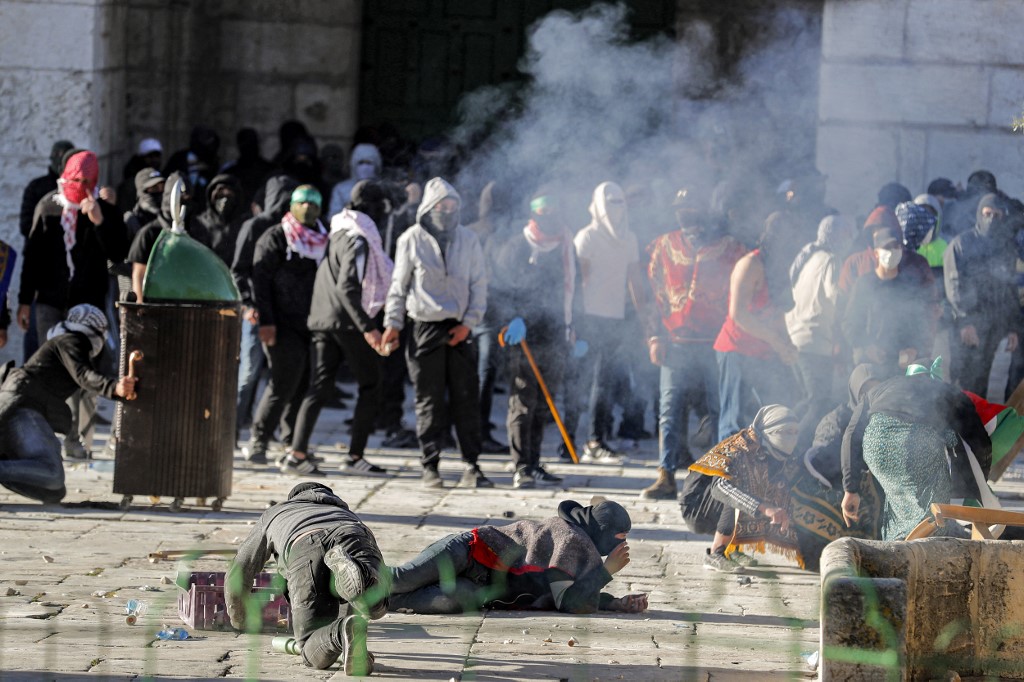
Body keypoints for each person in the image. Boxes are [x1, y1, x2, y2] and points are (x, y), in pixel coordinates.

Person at [17, 150, 129, 459]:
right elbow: (33, 257)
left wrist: (99, 221)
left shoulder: (104, 210)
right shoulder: (49, 208)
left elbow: (118, 254)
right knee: (49, 371)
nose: (79, 186)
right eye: (75, 180)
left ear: (94, 182)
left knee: (83, 375)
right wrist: (25, 301)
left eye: (86, 181)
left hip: (86, 305)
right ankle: (41, 440)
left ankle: (77, 440)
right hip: (50, 302)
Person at [382, 177, 490, 488]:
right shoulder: (411, 239)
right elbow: (399, 286)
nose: (446, 210)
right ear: (429, 208)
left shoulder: (468, 239)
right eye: (441, 206)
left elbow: (479, 284)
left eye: (452, 205)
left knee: (465, 397)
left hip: (460, 327)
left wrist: (469, 322)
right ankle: (430, 465)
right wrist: (393, 324)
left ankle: (472, 463)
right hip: (423, 327)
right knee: (428, 400)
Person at [639, 189, 746, 499]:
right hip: (675, 342)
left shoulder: (728, 247)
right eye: (681, 209)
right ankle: (666, 474)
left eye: (692, 208)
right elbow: (653, 295)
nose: (686, 215)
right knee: (669, 409)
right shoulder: (664, 245)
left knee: (718, 409)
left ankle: (715, 478)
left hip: (715, 343)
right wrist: (654, 335)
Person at [225, 482, 387, 675]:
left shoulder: (276, 513)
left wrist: (239, 618)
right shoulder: (347, 513)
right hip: (354, 534)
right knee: (375, 602)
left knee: (311, 647)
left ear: (293, 498)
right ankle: (366, 584)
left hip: (305, 544)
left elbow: (241, 569)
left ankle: (340, 632)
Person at [289, 180, 393, 476]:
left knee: (319, 387)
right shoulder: (359, 238)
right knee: (371, 384)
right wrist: (369, 328)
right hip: (345, 322)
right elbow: (348, 287)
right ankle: (355, 456)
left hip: (322, 317)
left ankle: (296, 454)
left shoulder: (338, 230)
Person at [388, 498, 647, 614]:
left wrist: (613, 603)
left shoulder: (584, 548)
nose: (622, 545)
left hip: (479, 587)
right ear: (605, 533)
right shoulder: (572, 538)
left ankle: (362, 600)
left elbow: (572, 590)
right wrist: (607, 571)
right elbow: (567, 601)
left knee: (409, 600)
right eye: (621, 538)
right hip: (468, 551)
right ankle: (352, 572)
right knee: (398, 579)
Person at [0, 305, 135, 503]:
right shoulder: (72, 340)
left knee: (54, 489)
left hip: (26, 409)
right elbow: (84, 376)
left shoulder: (63, 342)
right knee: (52, 474)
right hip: (23, 409)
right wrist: (115, 388)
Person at [841, 367, 992, 541]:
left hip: (876, 447)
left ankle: (897, 549)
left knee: (899, 503)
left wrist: (850, 489)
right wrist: (981, 479)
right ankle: (932, 550)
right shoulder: (953, 394)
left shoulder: (880, 389)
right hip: (915, 443)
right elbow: (979, 441)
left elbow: (851, 434)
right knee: (934, 506)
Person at [496, 187, 582, 489]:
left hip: (555, 333)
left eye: (554, 210)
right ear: (533, 213)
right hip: (523, 336)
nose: (550, 217)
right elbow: (502, 288)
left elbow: (575, 289)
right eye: (543, 211)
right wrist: (512, 319)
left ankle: (534, 461)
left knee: (544, 403)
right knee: (523, 401)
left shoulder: (565, 246)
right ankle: (521, 466)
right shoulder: (517, 247)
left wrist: (575, 327)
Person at [248, 185, 328, 470]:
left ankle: (293, 442)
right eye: (302, 202)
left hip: (314, 323)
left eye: (313, 203)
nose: (307, 208)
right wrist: (266, 321)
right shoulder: (276, 237)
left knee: (305, 383)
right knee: (282, 381)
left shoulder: (324, 237)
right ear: (291, 205)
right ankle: (259, 439)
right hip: (281, 323)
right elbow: (260, 280)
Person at [566, 181, 644, 463]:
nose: (616, 207)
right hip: (589, 319)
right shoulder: (586, 237)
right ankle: (584, 442)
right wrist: (572, 322)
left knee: (607, 383)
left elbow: (635, 281)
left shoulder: (629, 238)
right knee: (587, 382)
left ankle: (597, 439)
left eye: (619, 201)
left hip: (617, 319)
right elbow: (576, 283)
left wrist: (645, 317)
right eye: (610, 201)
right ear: (598, 203)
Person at [713, 213, 799, 441]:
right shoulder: (750, 264)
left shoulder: (781, 267)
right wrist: (776, 342)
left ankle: (760, 474)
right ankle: (725, 475)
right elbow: (738, 313)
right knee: (734, 421)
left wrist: (787, 344)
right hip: (736, 349)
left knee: (771, 417)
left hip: (764, 351)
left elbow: (778, 311)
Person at [689, 405, 804, 573]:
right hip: (699, 506)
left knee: (765, 486)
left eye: (795, 433)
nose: (792, 438)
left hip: (717, 503)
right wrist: (765, 508)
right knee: (739, 488)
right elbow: (720, 487)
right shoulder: (739, 447)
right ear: (770, 431)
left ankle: (732, 549)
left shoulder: (774, 453)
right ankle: (716, 552)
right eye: (786, 432)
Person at [232, 175, 299, 439]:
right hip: (256, 314)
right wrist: (248, 304)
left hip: (284, 314)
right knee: (248, 375)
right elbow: (238, 271)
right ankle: (232, 432)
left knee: (281, 378)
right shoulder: (255, 226)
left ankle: (268, 431)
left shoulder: (295, 229)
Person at [785, 214, 857, 458]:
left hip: (797, 337)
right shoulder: (831, 260)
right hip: (815, 341)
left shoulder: (808, 256)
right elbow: (836, 298)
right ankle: (791, 452)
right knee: (819, 403)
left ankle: (780, 435)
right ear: (837, 236)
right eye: (847, 235)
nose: (850, 240)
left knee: (809, 398)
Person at [944, 193, 1022, 395]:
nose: (992, 219)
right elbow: (954, 286)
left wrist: (1012, 327)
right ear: (979, 215)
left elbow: (1010, 289)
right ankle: (957, 426)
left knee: (982, 384)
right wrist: (965, 321)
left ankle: (976, 426)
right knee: (963, 383)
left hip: (995, 326)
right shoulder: (961, 244)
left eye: (997, 215)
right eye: (988, 214)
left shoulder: (1006, 248)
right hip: (968, 326)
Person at [842, 227, 934, 373]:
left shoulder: (909, 284)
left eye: (896, 247)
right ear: (876, 253)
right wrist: (867, 347)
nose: (892, 252)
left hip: (903, 364)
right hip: (872, 364)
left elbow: (921, 321)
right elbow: (850, 324)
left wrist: (914, 349)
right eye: (887, 248)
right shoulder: (865, 284)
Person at [192, 173, 246, 267]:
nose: (224, 199)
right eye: (220, 194)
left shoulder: (245, 224)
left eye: (229, 194)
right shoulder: (200, 223)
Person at [328, 144, 382, 219]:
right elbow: (333, 217)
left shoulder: (383, 189)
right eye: (361, 162)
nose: (365, 167)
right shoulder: (340, 189)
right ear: (353, 164)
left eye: (369, 162)